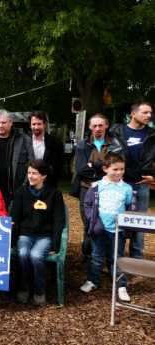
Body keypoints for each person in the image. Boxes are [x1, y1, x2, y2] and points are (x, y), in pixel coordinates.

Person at [80, 152, 133, 302]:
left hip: (118, 231)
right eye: (115, 169)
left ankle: (121, 285)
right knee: (96, 257)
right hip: (100, 230)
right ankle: (92, 281)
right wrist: (93, 221)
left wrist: (127, 226)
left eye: (122, 169)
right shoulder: (97, 186)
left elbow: (129, 206)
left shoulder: (127, 188)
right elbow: (88, 204)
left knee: (117, 258)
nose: (119, 172)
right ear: (105, 169)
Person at [11, 159, 65, 306]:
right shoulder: (21, 192)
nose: (30, 176)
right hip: (25, 234)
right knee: (22, 254)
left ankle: (39, 290)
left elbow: (59, 220)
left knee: (35, 256)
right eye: (29, 173)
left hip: (44, 235)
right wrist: (12, 239)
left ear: (44, 176)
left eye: (35, 173)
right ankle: (23, 287)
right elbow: (14, 217)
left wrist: (56, 244)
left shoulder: (54, 194)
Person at [71, 114, 123, 257]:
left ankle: (105, 258)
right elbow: (81, 170)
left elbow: (116, 167)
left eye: (101, 125)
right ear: (89, 127)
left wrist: (93, 165)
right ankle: (88, 255)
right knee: (89, 222)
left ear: (106, 125)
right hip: (86, 189)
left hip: (109, 189)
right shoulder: (83, 145)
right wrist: (104, 167)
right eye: (94, 126)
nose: (98, 128)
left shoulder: (115, 144)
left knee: (107, 223)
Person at [110, 101, 154, 260]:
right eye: (145, 112)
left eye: (150, 113)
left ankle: (136, 261)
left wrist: (153, 177)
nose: (149, 115)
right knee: (119, 221)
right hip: (119, 183)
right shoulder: (117, 131)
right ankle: (117, 260)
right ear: (133, 114)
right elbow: (108, 155)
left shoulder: (152, 135)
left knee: (139, 224)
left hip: (141, 184)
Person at [29, 112, 64, 187]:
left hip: (48, 186)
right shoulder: (24, 141)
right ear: (30, 125)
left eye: (39, 124)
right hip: (28, 185)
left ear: (44, 125)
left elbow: (59, 167)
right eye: (34, 124)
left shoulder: (56, 143)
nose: (36, 127)